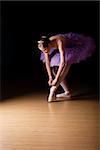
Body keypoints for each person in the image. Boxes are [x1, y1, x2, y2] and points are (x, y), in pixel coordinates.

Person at [37, 32, 96, 102]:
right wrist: (50, 77)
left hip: (72, 46)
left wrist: (56, 79)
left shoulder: (59, 42)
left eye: (45, 50)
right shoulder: (44, 45)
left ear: (49, 45)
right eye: (42, 51)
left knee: (66, 62)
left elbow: (63, 62)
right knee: (54, 70)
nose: (44, 52)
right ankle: (67, 92)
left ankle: (53, 89)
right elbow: (47, 62)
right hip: (59, 49)